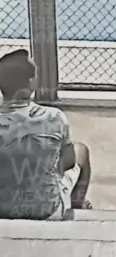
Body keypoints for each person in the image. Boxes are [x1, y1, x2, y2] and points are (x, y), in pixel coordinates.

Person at [0, 49, 91, 220]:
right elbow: (69, 162)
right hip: (46, 210)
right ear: (31, 82)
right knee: (81, 151)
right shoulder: (54, 117)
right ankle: (76, 204)